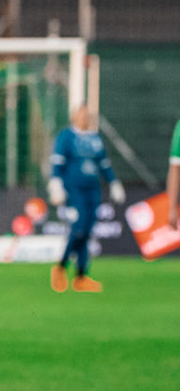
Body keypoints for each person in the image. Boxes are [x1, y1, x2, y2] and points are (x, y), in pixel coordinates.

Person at [48, 106, 123, 293]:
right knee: (79, 228)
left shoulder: (95, 138)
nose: (84, 118)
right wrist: (56, 185)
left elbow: (104, 164)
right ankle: (60, 267)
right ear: (73, 116)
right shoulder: (66, 137)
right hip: (74, 190)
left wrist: (113, 183)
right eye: (81, 115)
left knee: (88, 232)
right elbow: (57, 163)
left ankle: (81, 277)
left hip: (93, 190)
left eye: (87, 115)